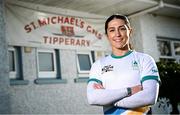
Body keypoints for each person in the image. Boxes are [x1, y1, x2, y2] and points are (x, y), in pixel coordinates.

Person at [86, 14, 161, 115]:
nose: (117, 34)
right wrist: (129, 91)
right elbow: (93, 98)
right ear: (107, 35)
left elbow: (149, 97)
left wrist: (108, 99)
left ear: (130, 31)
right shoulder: (98, 65)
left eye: (122, 29)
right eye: (112, 30)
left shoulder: (145, 60)